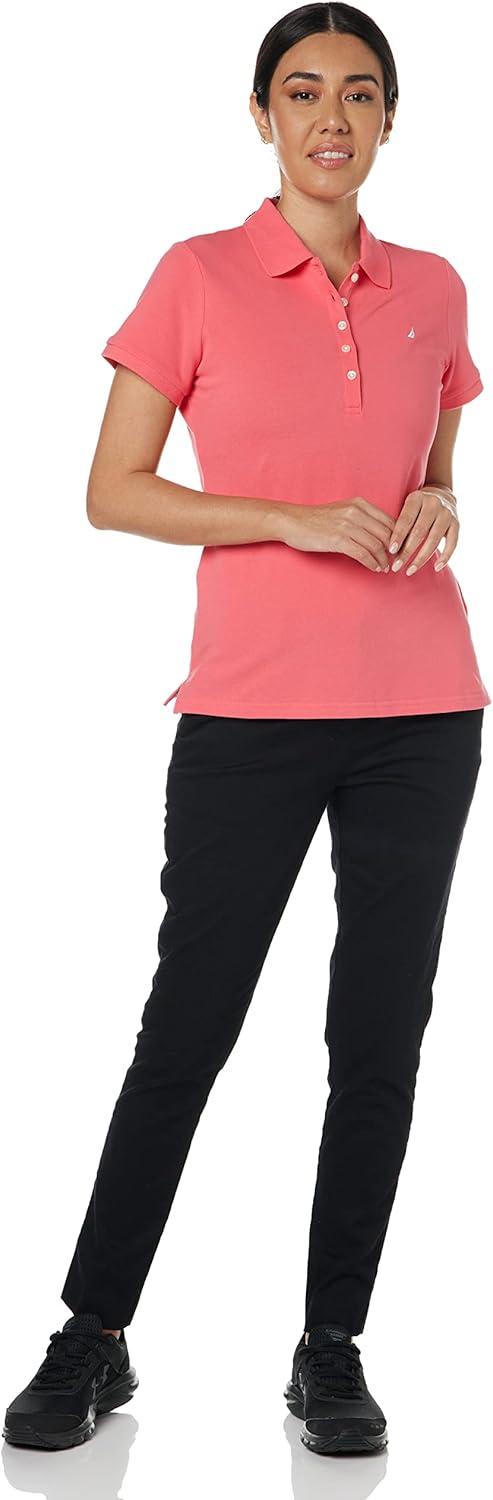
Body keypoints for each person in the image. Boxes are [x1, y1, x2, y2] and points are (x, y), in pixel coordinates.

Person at [4, 1, 489, 1459]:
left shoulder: (434, 286)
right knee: (189, 1029)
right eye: (302, 91)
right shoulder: (197, 274)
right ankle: (93, 1333)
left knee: (378, 1038)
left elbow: (434, 464)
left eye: (360, 92)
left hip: (424, 711)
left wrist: (436, 501)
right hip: (250, 712)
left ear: (390, 118)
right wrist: (287, 517)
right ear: (263, 115)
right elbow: (114, 489)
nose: (331, 117)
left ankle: (331, 1348)